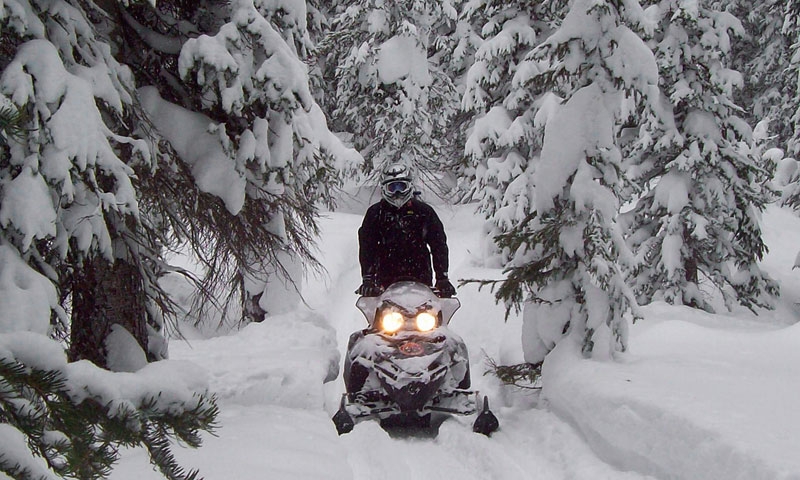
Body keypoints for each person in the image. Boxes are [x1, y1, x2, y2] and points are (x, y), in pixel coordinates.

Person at [356, 163, 456, 297]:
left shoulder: (424, 212)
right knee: (378, 310)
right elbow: (367, 248)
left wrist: (442, 278)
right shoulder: (375, 214)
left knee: (431, 309)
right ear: (384, 189)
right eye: (392, 188)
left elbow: (439, 245)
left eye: (401, 187)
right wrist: (368, 279)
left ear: (409, 186)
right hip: (385, 281)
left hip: (420, 278)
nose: (397, 192)